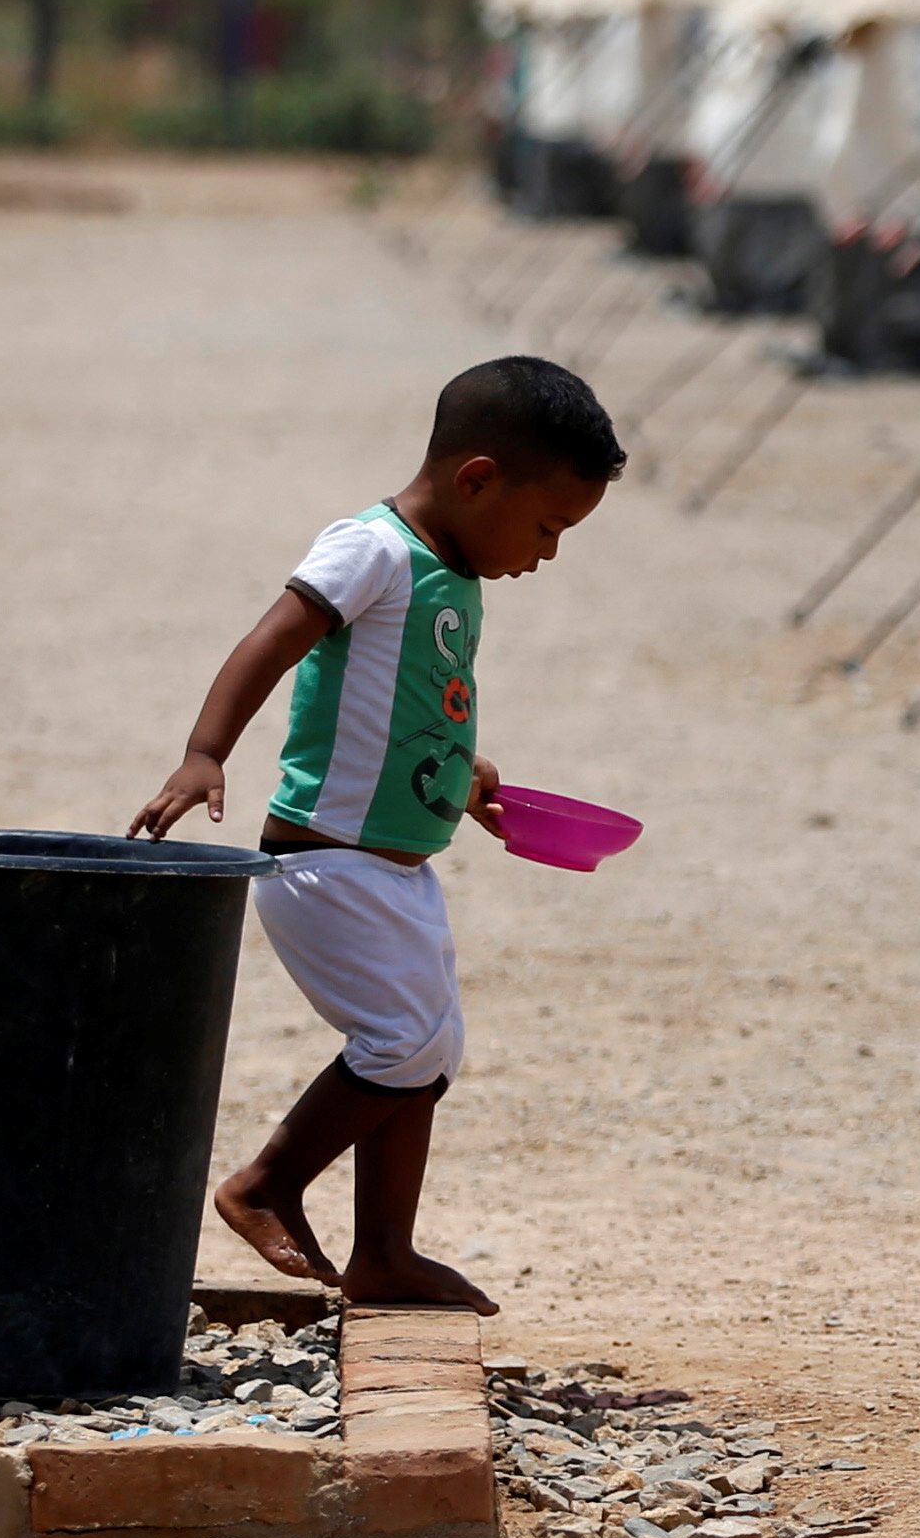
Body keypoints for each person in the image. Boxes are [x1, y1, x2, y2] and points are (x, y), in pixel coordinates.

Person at [130, 354, 623, 1310]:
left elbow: (410, 708)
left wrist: (462, 777)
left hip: (395, 870)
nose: (549, 552)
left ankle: (385, 1254)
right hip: (325, 863)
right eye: (549, 525)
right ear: (478, 479)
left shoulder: (450, 571)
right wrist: (204, 751)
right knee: (399, 1045)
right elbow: (274, 637)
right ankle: (263, 1183)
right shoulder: (372, 549)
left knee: (428, 1053)